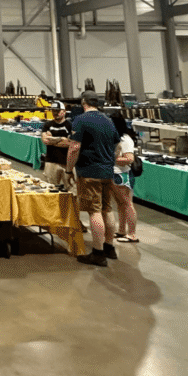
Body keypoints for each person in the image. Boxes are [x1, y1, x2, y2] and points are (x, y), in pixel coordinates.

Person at [66, 90, 120, 266]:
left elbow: (74, 147)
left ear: (83, 103)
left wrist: (68, 170)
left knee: (94, 211)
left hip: (89, 172)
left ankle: (97, 253)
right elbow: (117, 146)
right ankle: (109, 247)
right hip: (107, 171)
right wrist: (108, 160)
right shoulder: (108, 120)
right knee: (107, 209)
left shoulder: (81, 120)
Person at [110, 113, 139, 244]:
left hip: (123, 175)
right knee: (120, 204)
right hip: (114, 174)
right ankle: (122, 230)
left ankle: (132, 234)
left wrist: (112, 159)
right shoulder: (114, 137)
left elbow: (129, 159)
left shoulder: (125, 140)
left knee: (127, 204)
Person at [41, 101, 73, 189]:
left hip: (67, 163)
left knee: (70, 188)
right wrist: (62, 138)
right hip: (51, 161)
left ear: (64, 112)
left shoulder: (70, 125)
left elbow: (70, 144)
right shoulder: (47, 125)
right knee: (50, 188)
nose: (55, 113)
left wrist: (52, 139)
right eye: (53, 111)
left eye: (58, 111)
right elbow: (46, 141)